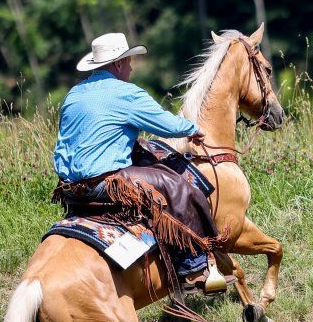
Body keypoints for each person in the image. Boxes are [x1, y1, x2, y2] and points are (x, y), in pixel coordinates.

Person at [53, 32, 224, 293]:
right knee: (176, 186)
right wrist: (191, 128)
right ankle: (194, 267)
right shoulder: (125, 93)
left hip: (70, 189)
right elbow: (165, 124)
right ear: (118, 64)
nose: (131, 67)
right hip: (105, 183)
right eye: (129, 62)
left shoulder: (73, 95)